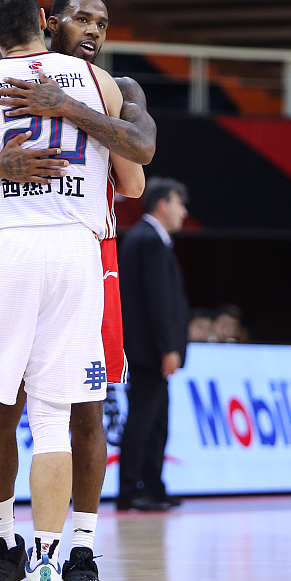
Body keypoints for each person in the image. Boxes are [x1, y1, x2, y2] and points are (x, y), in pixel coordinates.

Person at [0, 0, 154, 581]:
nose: (94, 29)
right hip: (77, 253)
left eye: (102, 21)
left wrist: (42, 125)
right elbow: (136, 176)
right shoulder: (102, 87)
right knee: (46, 414)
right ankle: (32, 556)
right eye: (83, 18)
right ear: (50, 22)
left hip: (28, 246)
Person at [117, 177, 190, 512]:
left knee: (156, 421)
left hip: (148, 350)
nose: (184, 212)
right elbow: (157, 300)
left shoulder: (147, 238)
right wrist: (168, 347)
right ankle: (132, 489)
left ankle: (153, 486)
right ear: (163, 204)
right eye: (180, 204)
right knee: (143, 421)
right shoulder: (149, 240)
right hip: (149, 351)